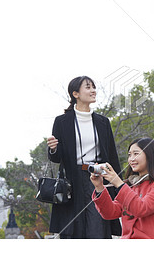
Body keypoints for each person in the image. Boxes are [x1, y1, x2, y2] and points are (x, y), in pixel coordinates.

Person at [46, 76, 122, 238]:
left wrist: (119, 184)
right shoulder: (62, 122)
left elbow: (112, 156)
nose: (93, 90)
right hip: (72, 182)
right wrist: (53, 149)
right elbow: (57, 158)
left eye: (93, 87)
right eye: (88, 87)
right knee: (74, 230)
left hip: (98, 177)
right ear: (76, 94)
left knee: (98, 227)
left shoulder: (103, 122)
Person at [90, 138, 154, 239]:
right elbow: (110, 212)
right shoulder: (133, 185)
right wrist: (99, 187)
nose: (131, 159)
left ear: (150, 155)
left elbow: (141, 209)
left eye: (136, 154)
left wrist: (119, 183)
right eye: (129, 155)